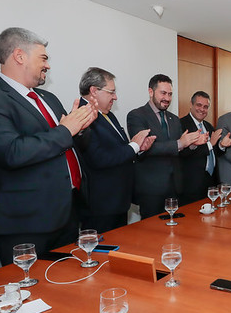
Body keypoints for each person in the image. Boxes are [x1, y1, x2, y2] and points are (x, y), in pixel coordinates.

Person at [0, 27, 97, 265]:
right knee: (29, 285)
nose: (47, 65)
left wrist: (81, 128)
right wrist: (67, 129)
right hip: (25, 222)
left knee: (68, 282)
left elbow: (69, 144)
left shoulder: (49, 98)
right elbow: (12, 152)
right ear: (19, 56)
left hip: (67, 213)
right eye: (43, 58)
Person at [78, 67, 155, 232]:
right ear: (94, 91)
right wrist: (133, 146)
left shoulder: (107, 114)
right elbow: (98, 158)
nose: (115, 97)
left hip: (118, 200)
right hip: (101, 205)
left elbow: (120, 150)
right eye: (111, 92)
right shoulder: (82, 116)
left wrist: (139, 148)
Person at [127, 74, 203, 219]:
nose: (167, 98)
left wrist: (191, 144)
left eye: (170, 94)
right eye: (163, 93)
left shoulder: (174, 119)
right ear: (151, 92)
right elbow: (145, 148)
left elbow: (179, 150)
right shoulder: (137, 115)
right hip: (151, 190)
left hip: (175, 187)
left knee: (175, 227)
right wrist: (180, 143)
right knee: (152, 230)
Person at [179, 91, 223, 203]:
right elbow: (183, 153)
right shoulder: (181, 125)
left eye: (205, 107)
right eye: (199, 105)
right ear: (191, 104)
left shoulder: (208, 126)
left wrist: (222, 145)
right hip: (191, 184)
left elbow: (215, 152)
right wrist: (210, 144)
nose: (202, 109)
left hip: (211, 182)